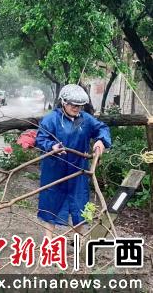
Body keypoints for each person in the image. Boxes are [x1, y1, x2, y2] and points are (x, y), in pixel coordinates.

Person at [35, 84, 111, 240]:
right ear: (63, 102)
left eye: (80, 105)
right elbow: (41, 139)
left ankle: (77, 238)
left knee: (79, 203)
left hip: (78, 170)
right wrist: (52, 146)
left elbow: (102, 128)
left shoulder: (85, 119)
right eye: (73, 105)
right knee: (51, 203)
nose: (76, 108)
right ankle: (48, 240)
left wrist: (101, 141)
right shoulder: (51, 119)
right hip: (55, 170)